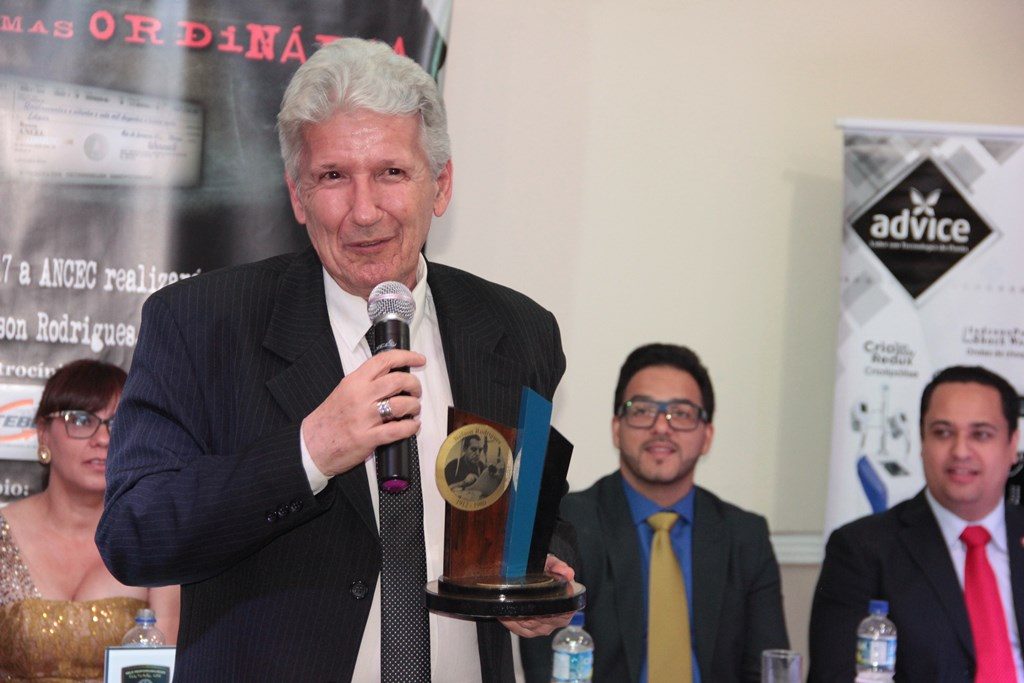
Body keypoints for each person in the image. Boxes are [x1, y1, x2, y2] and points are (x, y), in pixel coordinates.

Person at [95, 38, 573, 682]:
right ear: (297, 194)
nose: (365, 210)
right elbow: (135, 534)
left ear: (442, 184)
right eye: (333, 177)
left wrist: (548, 579)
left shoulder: (518, 331)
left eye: (391, 173)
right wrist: (310, 451)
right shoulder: (200, 323)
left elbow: (540, 507)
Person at [521, 343, 789, 682]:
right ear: (617, 428)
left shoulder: (745, 535)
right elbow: (547, 667)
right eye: (642, 410)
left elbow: (768, 669)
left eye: (682, 413)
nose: (661, 427)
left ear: (707, 436)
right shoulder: (566, 524)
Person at [809, 365, 1024, 681]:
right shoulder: (862, 550)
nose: (960, 451)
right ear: (922, 442)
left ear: (1012, 447)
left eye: (981, 434)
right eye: (943, 433)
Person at [0, 360, 179, 681]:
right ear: (43, 434)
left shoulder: (152, 539)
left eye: (117, 422)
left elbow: (167, 667)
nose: (102, 438)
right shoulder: (3, 533)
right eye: (81, 420)